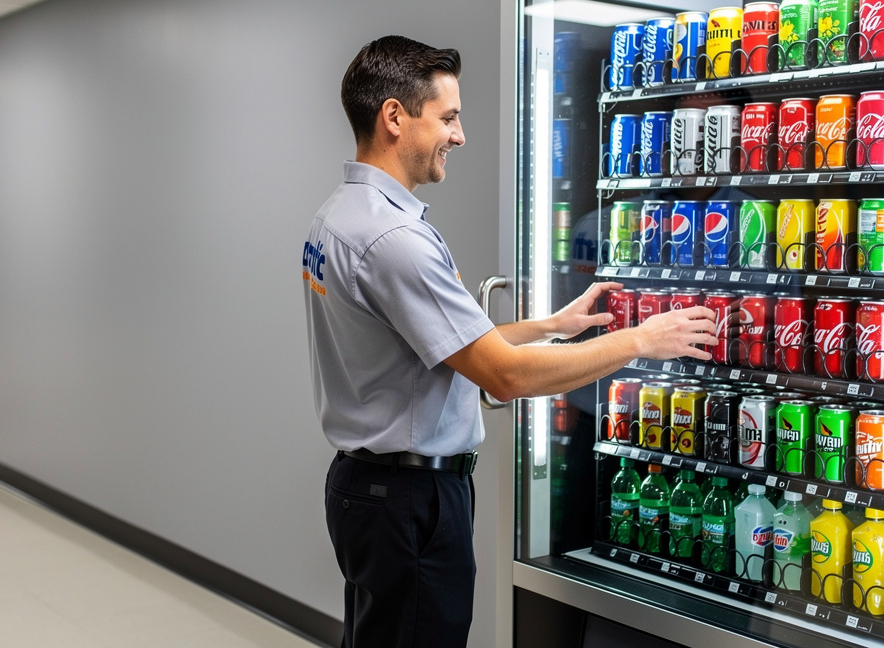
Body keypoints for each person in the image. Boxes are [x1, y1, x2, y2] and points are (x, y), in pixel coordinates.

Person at [302, 35, 718, 648]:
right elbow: (506, 377)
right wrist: (640, 340)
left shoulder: (338, 217)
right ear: (395, 116)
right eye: (447, 117)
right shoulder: (394, 241)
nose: (460, 135)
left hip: (368, 489)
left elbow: (444, 341)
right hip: (410, 501)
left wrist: (553, 325)